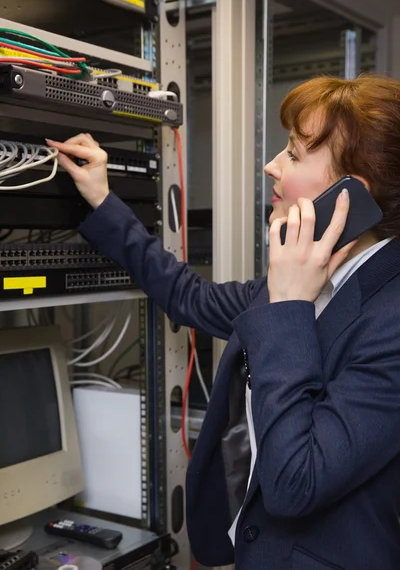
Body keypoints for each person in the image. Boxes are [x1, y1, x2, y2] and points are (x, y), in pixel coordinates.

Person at [47, 74, 400, 570]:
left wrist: (288, 310)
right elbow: (189, 295)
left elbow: (296, 483)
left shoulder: (388, 318)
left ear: (348, 197)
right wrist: (104, 200)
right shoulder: (299, 281)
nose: (271, 165)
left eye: (295, 155)